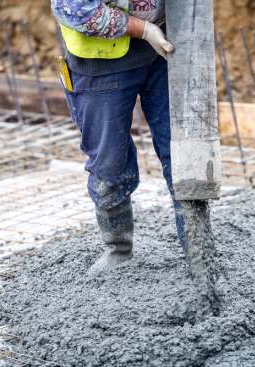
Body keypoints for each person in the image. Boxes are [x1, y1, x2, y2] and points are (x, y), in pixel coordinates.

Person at [51, 0, 185, 272]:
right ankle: (118, 248)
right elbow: (76, 9)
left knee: (184, 151)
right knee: (109, 163)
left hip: (165, 48)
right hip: (99, 62)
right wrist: (144, 30)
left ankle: (198, 247)